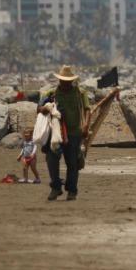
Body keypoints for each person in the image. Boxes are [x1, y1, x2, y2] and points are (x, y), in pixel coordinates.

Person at [39, 66, 91, 201]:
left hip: (74, 132)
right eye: (63, 81)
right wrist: (45, 108)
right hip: (56, 133)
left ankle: (72, 190)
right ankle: (56, 187)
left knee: (72, 163)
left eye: (68, 81)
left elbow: (87, 109)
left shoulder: (80, 93)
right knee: (52, 160)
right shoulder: (51, 94)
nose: (65, 83)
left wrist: (86, 125)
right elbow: (39, 108)